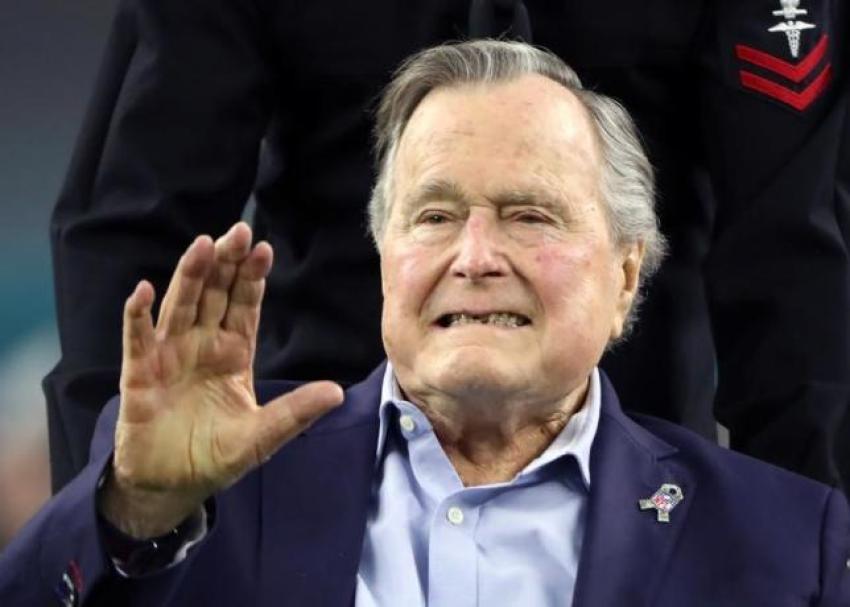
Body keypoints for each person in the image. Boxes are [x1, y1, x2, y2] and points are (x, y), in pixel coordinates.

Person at [5, 41, 849, 606]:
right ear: (383, 258)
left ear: (628, 273)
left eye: (529, 215)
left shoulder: (788, 542)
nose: (474, 256)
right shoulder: (203, 491)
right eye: (435, 216)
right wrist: (132, 512)